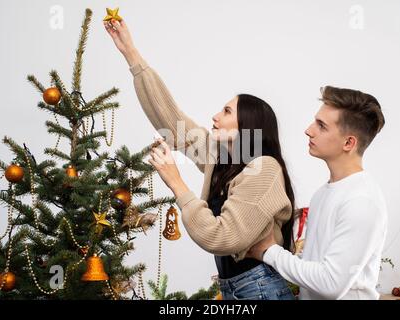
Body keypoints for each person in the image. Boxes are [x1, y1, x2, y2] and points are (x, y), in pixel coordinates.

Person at [104, 18, 296, 300]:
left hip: (259, 289)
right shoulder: (222, 159)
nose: (215, 117)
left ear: (248, 125)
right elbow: (171, 122)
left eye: (227, 111)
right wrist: (131, 54)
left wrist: (176, 182)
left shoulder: (264, 169)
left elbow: (222, 237)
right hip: (234, 289)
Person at [247, 86, 388, 300]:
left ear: (348, 142)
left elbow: (331, 283)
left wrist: (270, 251)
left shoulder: (362, 201)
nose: (309, 130)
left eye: (321, 126)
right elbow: (315, 264)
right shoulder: (322, 193)